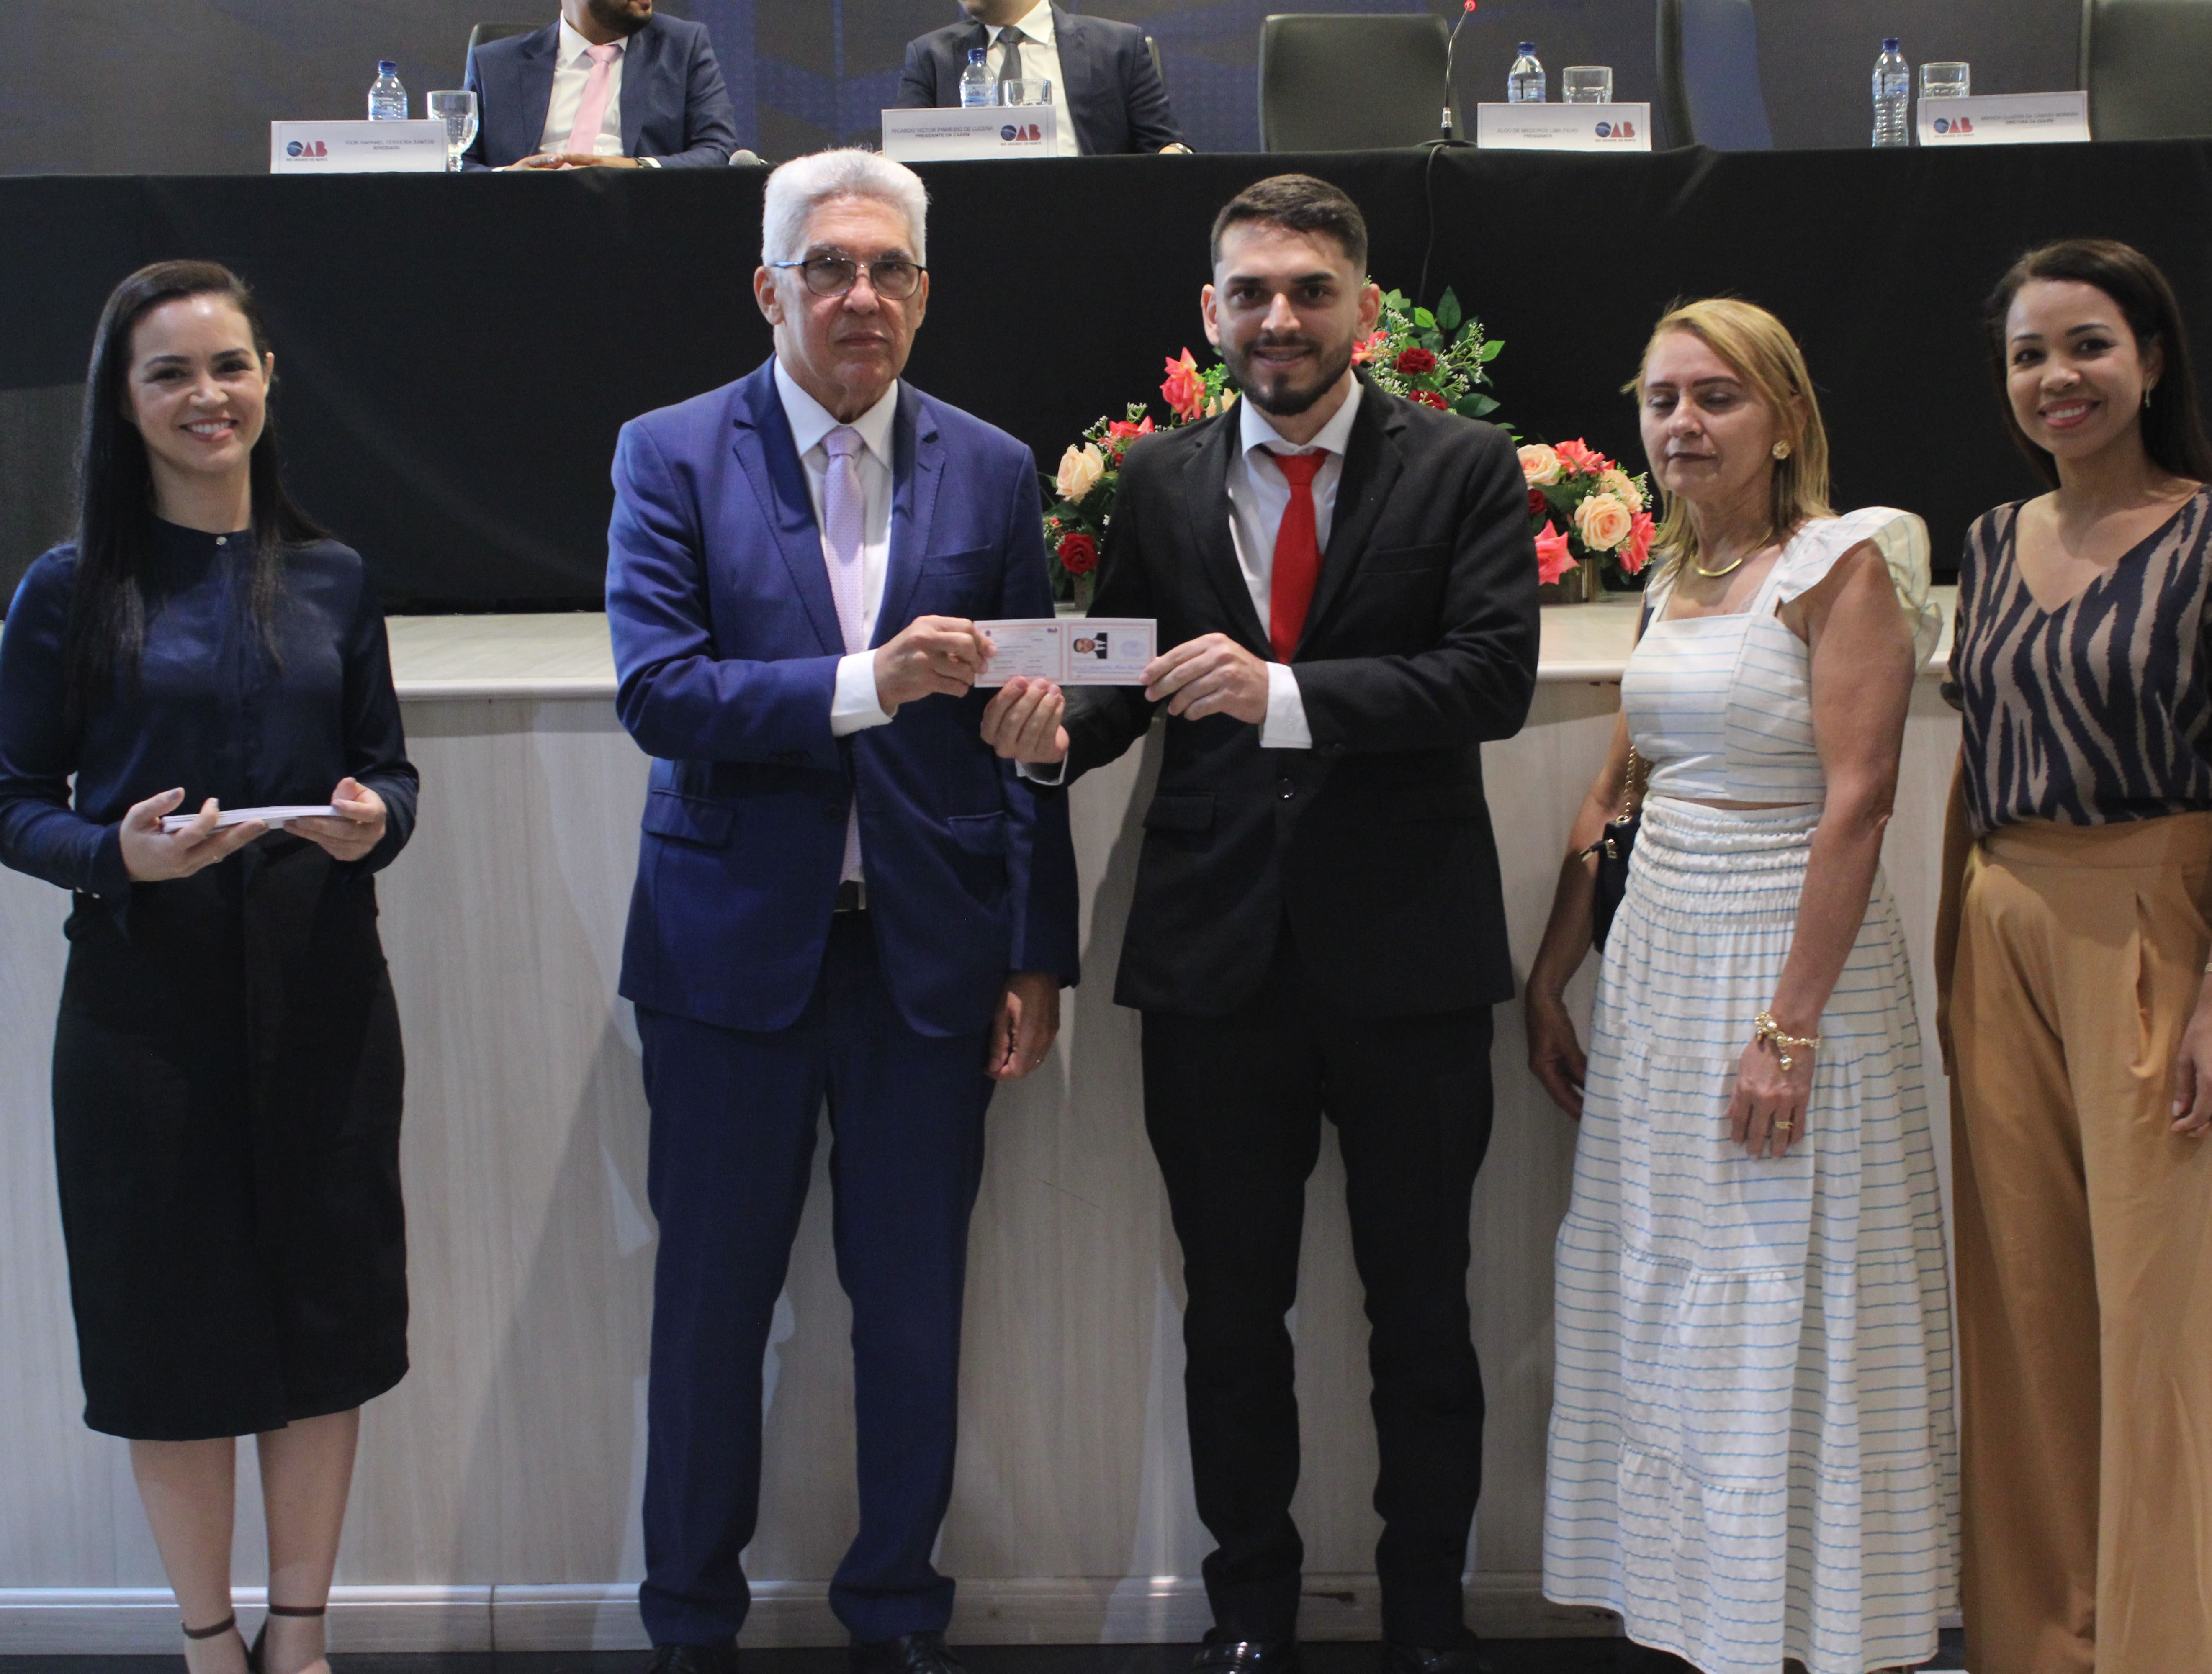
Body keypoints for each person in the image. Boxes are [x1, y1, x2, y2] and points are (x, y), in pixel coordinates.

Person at [983, 173, 1537, 1674]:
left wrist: (1282, 694)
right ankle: (1248, 1611)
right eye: (1249, 293)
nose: (1277, 318)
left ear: (1363, 309)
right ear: (1209, 313)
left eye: (1307, 290)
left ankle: (1428, 1614)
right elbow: (1122, 677)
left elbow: (1490, 678)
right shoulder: (1159, 481)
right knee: (1231, 1318)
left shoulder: (1462, 468)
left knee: (1422, 1314)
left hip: (1408, 959)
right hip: (1210, 960)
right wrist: (1048, 734)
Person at [606, 147, 1079, 1674]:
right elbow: (658, 692)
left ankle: (897, 1613)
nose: (859, 295)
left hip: (928, 956)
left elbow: (1031, 725)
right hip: (726, 956)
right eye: (828, 268)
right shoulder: (668, 453)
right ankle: (690, 1621)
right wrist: (865, 684)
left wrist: (1035, 945)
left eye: (888, 270)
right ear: (770, 289)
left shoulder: (992, 468)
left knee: (914, 1313)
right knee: (709, 1312)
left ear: (924, 295)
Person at [0, 260, 417, 1674]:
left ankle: (303, 1640)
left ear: (270, 379)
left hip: (324, 1003)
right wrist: (118, 855)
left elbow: (392, 774)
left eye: (229, 366)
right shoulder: (67, 591)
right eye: (169, 372)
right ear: (123, 401)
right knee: (169, 1339)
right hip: (141, 1017)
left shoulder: (336, 576)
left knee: (325, 1325)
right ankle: (209, 1645)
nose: (206, 396)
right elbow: (12, 806)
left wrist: (374, 821)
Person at [1522, 298, 1955, 1674]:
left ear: (1786, 419)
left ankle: (1823, 1626)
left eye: (1717, 397)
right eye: (1662, 400)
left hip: (1787, 972)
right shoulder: (1672, 578)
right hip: (1662, 971)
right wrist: (1553, 975)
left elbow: (1861, 802)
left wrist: (1788, 1031)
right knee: (1680, 1301)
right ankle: (1702, 1615)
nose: (1684, 424)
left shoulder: (1843, 563)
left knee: (1789, 1286)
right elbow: (1622, 787)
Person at [1935, 239, 2212, 1674]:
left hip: (2158, 927)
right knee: (2026, 1316)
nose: (2058, 377)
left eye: (2087, 345)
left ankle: (2179, 1651)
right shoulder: (1990, 540)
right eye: (2028, 354)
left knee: (2169, 1322)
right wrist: (1955, 959)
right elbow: (1978, 757)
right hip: (2002, 932)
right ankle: (2046, 1645)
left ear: (2150, 361)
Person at [463, 0, 737, 170]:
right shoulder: (494, 64)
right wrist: (507, 178)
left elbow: (720, 152)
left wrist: (635, 168)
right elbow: (456, 163)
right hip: (526, 225)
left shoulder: (682, 47)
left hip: (641, 222)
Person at [898, 0, 1190, 156]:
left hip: (1093, 221)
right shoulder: (931, 57)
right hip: (972, 228)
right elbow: (902, 158)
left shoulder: (1116, 48)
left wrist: (1171, 155)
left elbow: (1164, 146)